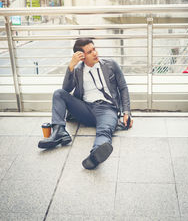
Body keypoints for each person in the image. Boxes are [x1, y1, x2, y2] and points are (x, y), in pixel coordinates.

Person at [38, 38, 133, 169]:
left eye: (94, 49)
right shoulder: (77, 70)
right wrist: (70, 66)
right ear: (82, 57)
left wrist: (126, 112)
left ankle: (95, 155)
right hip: (86, 108)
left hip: (107, 109)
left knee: (104, 132)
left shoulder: (111, 64)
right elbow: (66, 90)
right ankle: (59, 131)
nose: (95, 53)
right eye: (90, 52)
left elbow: (123, 88)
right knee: (58, 93)